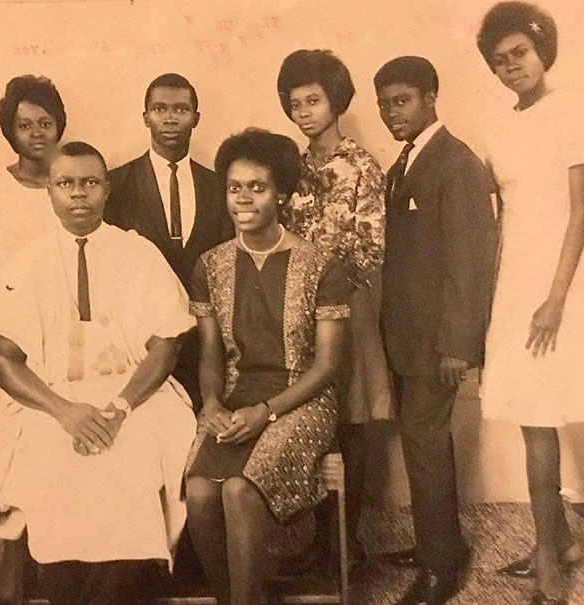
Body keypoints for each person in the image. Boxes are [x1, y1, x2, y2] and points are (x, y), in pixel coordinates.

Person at [0, 142, 197, 605]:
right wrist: (64, 411)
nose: (77, 194)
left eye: (89, 182)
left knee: (134, 452)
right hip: (53, 398)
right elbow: (4, 359)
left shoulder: (138, 253)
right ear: (49, 192)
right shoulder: (27, 262)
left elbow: (166, 347)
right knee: (51, 456)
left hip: (134, 394)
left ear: (107, 189)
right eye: (65, 184)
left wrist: (121, 407)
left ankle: (123, 590)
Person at [184, 129, 352, 605]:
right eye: (234, 187)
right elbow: (211, 353)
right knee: (199, 492)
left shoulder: (320, 265)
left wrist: (267, 412)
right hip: (236, 393)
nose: (243, 199)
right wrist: (211, 403)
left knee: (239, 489)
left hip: (302, 398)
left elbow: (328, 365)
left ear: (281, 193)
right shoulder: (211, 265)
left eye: (257, 187)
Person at [476, 4, 584, 603]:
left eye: (519, 53)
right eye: (500, 61)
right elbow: (501, 217)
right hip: (513, 283)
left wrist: (555, 298)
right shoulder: (500, 127)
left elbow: (581, 211)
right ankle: (560, 541)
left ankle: (549, 556)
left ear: (542, 49)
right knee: (529, 418)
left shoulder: (572, 110)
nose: (512, 66)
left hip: (555, 286)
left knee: (541, 418)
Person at [374, 57, 497, 605]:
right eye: (384, 104)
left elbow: (471, 262)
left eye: (401, 101)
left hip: (437, 343)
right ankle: (439, 544)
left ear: (430, 97)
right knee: (423, 444)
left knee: (425, 443)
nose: (390, 113)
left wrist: (457, 347)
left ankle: (440, 568)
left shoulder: (458, 163)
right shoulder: (403, 163)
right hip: (405, 337)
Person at [276, 48, 392, 568]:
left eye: (313, 100)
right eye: (295, 103)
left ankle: (347, 544)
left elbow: (369, 249)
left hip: (347, 308)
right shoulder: (292, 168)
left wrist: (327, 291)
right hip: (297, 310)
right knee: (312, 417)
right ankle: (319, 539)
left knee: (350, 421)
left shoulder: (362, 166)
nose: (303, 112)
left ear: (337, 101)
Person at [0, 74, 65, 605]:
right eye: (24, 125)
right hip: (10, 340)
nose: (36, 134)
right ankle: (13, 570)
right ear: (10, 131)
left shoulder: (71, 183)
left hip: (63, 336)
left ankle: (55, 562)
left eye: (45, 123)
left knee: (55, 444)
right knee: (10, 451)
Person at [104, 73, 232, 410]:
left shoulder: (219, 186)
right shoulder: (116, 185)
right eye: (160, 109)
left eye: (181, 109)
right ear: (145, 117)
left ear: (196, 118)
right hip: (141, 343)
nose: (171, 118)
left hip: (205, 342)